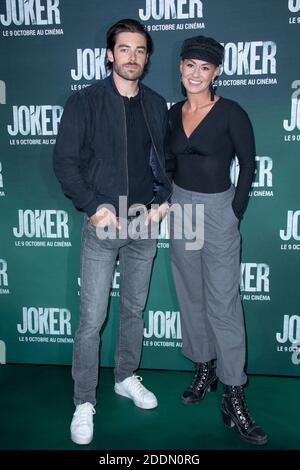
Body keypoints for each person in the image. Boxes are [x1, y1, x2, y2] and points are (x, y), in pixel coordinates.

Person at [53, 18, 171, 445]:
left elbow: (165, 161)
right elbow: (65, 161)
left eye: (140, 50)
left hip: (145, 224)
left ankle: (125, 377)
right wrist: (93, 206)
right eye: (124, 49)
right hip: (104, 224)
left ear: (147, 57)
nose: (132, 57)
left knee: (134, 311)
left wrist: (162, 204)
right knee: (91, 320)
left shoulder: (156, 104)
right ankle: (84, 401)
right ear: (109, 54)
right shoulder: (84, 102)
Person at [167, 35, 268, 445]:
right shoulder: (172, 113)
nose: (195, 73)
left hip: (218, 209)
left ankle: (233, 394)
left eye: (204, 67)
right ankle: (203, 367)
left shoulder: (231, 112)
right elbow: (168, 163)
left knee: (223, 304)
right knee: (190, 296)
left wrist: (234, 210)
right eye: (189, 64)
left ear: (217, 72)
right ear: (181, 67)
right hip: (181, 209)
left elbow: (248, 164)